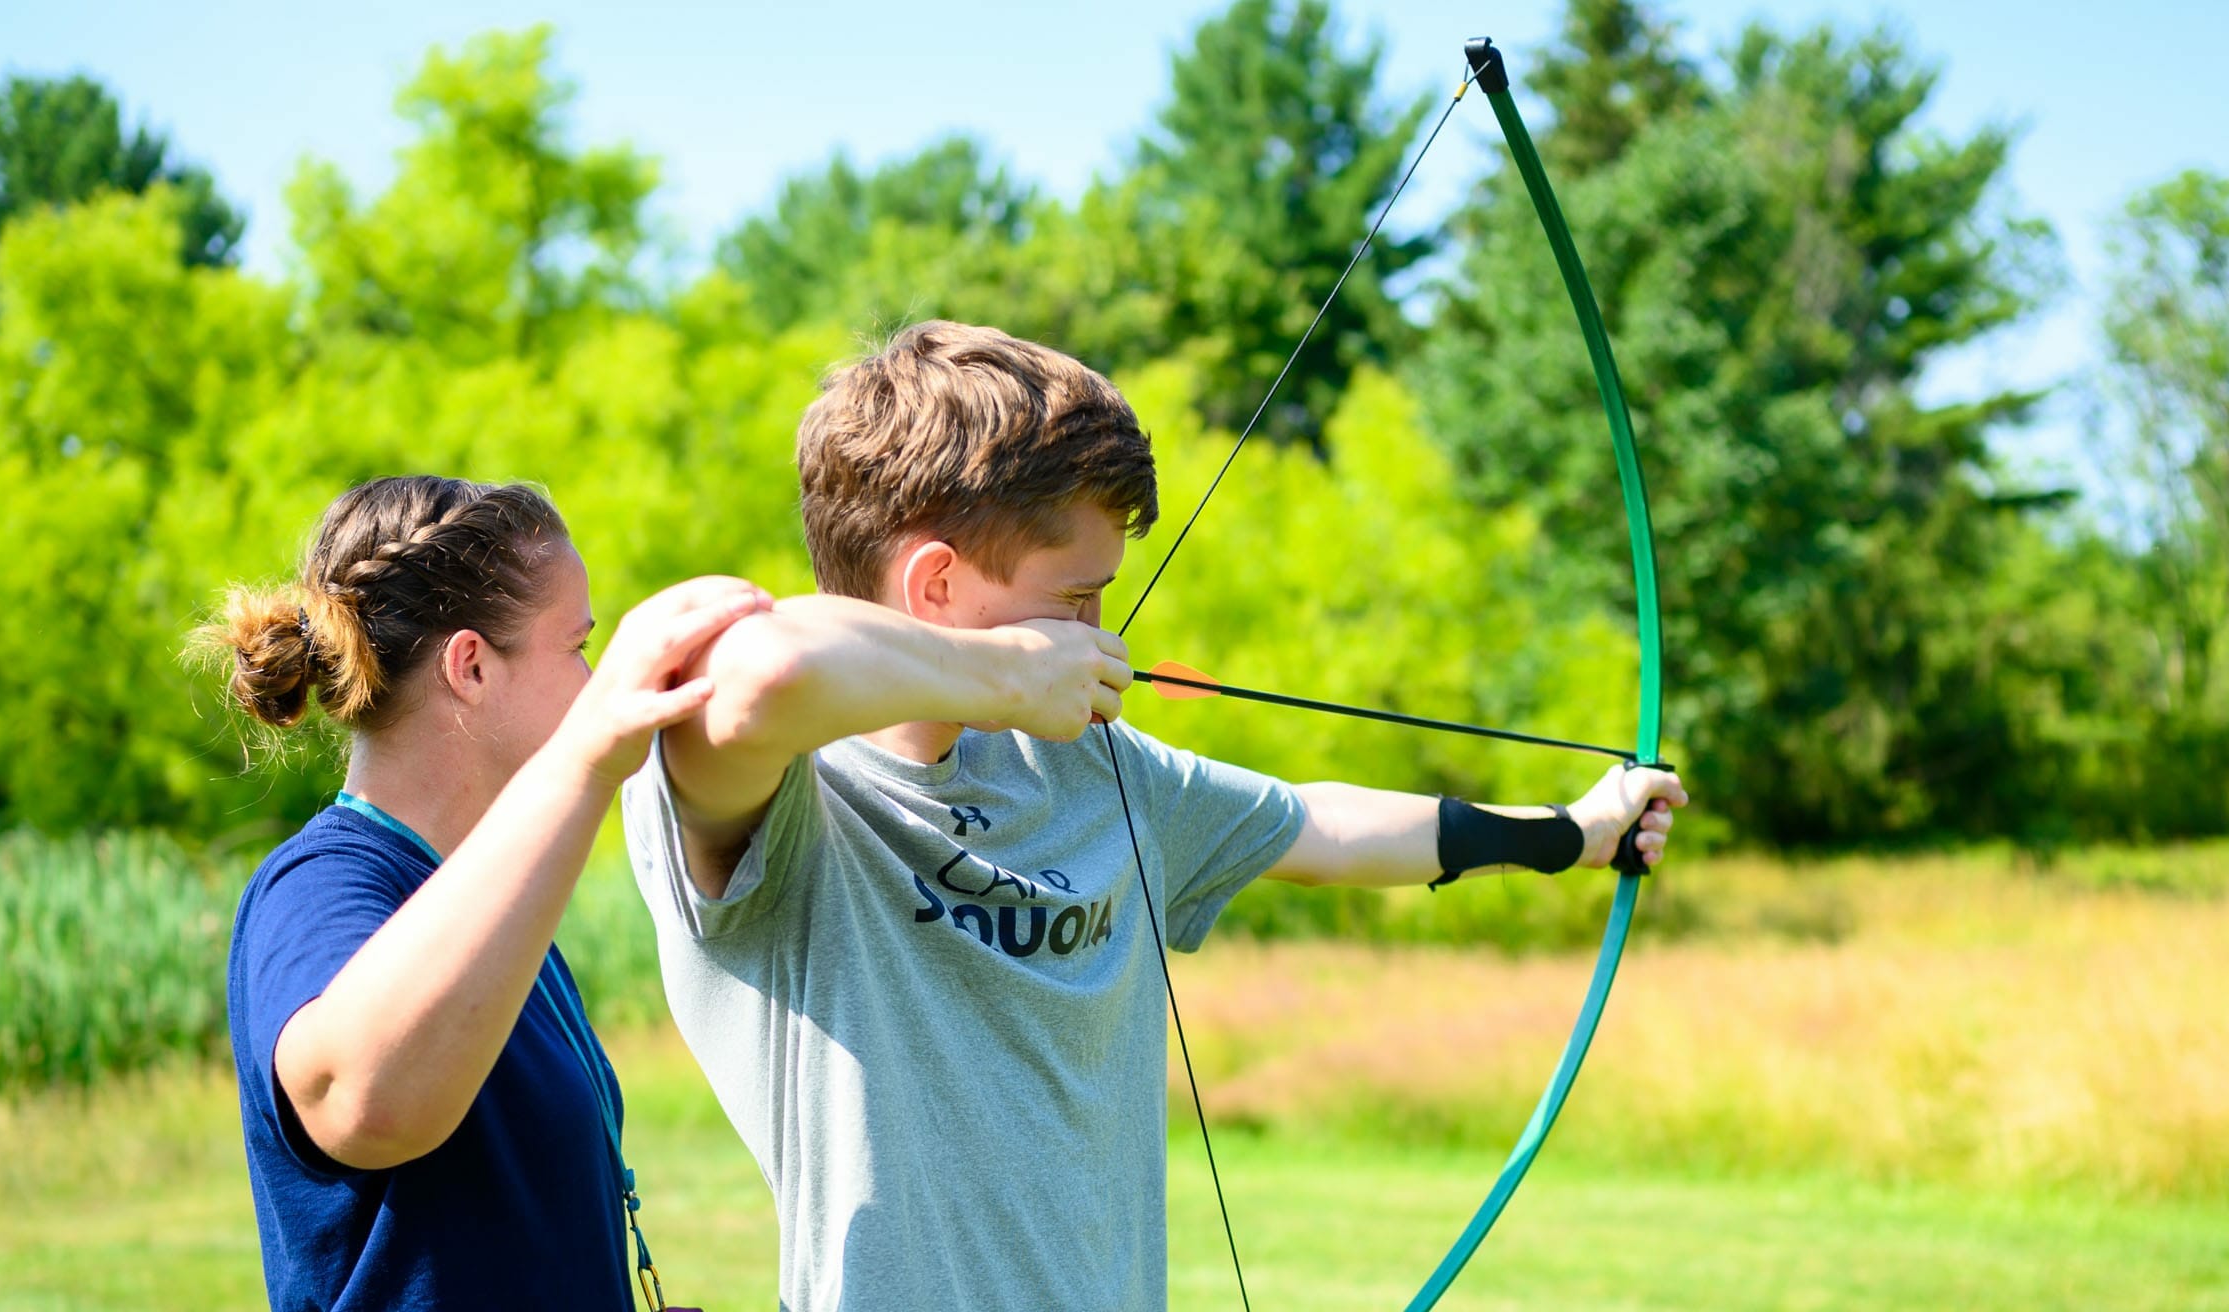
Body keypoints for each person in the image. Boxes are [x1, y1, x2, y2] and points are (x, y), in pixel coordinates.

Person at [620, 321, 1689, 1309]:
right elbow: (764, 668)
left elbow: (1314, 826)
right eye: (1073, 601)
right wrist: (1002, 676)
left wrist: (1573, 831)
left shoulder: (1080, 769)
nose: (1102, 638)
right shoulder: (784, 798)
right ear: (936, 586)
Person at [204, 474, 767, 1311]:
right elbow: (362, 1102)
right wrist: (586, 763)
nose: (592, 684)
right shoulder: (319, 884)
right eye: (576, 647)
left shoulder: (490, 895)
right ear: (469, 666)